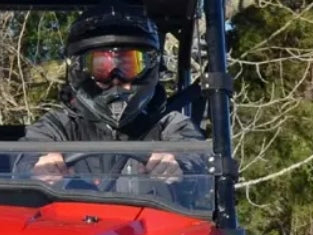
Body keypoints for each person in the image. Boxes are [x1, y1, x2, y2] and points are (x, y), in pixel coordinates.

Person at [22, 5, 204, 187]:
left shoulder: (169, 124)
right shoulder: (58, 125)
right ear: (80, 70)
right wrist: (37, 168)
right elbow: (26, 157)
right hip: (68, 216)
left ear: (151, 67)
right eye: (101, 67)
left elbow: (194, 155)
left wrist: (179, 166)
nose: (116, 79)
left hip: (150, 215)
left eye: (130, 65)